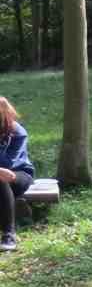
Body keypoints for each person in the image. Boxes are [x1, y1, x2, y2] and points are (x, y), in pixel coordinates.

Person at [0, 96, 35, 253]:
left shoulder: (17, 133)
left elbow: (7, 164)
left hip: (18, 174)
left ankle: (9, 235)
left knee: (1, 179)